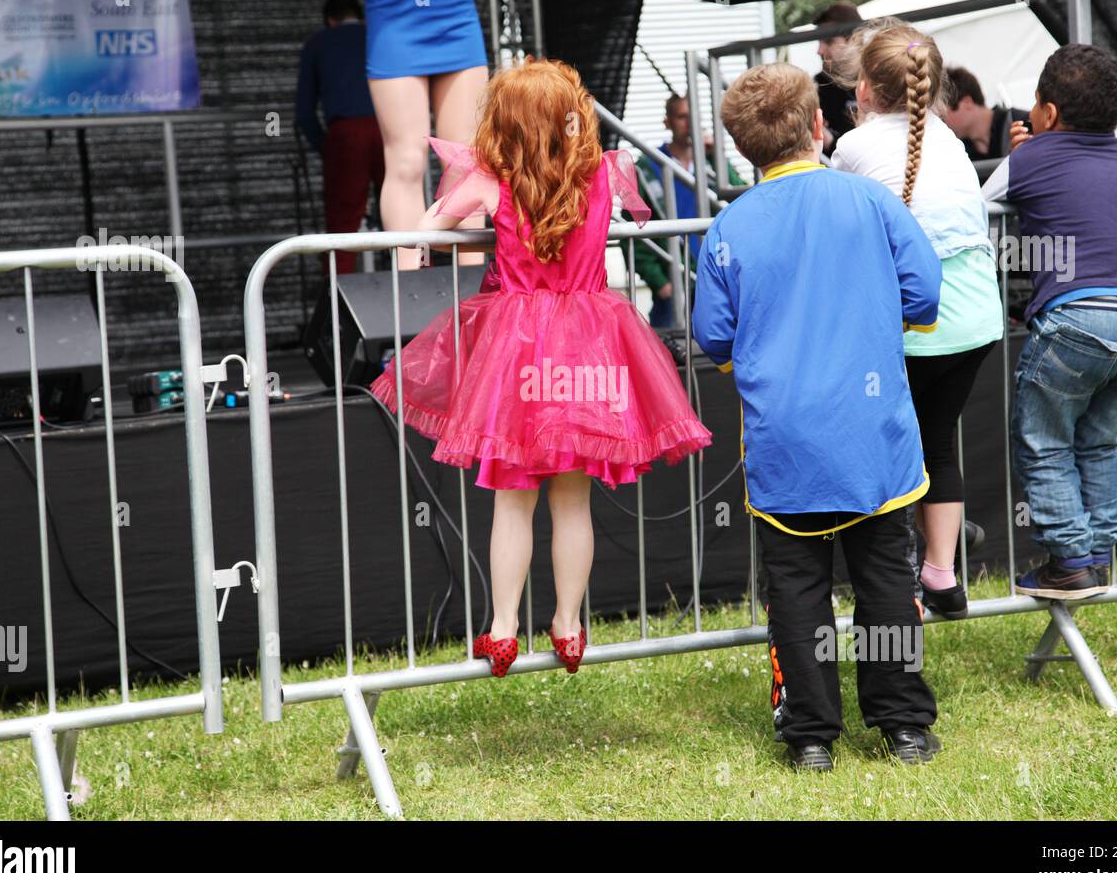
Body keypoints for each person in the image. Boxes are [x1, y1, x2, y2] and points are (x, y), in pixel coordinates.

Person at [369, 60, 712, 677]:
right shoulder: (606, 175)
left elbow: (424, 233)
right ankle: (569, 625)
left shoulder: (489, 183)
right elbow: (619, 224)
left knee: (512, 500)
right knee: (574, 501)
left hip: (516, 356)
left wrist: (441, 240)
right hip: (589, 350)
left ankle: (503, 629)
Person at [692, 62, 944, 771]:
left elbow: (712, 336)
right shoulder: (871, 202)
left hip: (784, 442)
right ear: (816, 125)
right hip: (873, 438)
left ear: (744, 148)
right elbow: (925, 295)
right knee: (885, 581)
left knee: (797, 591)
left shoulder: (727, 228)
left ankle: (809, 737)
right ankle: (903, 727)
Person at [830, 20, 1003, 621]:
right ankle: (942, 573)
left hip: (912, 322)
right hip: (977, 316)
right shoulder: (951, 140)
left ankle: (897, 583)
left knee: (890, 451)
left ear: (866, 91)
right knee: (938, 442)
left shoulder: (852, 147)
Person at [983, 43, 1117, 597]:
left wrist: (1023, 156)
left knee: (1044, 441)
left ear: (1049, 113)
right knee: (1100, 441)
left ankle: (1068, 558)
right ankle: (1097, 553)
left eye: (1033, 105)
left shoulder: (1028, 159)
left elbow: (981, 208)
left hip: (1080, 317)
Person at [345, 0, 489, 271]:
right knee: (407, 159)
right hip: (395, 16)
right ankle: (412, 279)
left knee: (466, 160)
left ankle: (473, 283)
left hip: (456, 15)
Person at [626, 94, 744, 328]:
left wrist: (716, 155)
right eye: (682, 117)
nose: (689, 124)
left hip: (716, 278)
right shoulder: (647, 169)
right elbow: (635, 231)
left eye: (694, 117)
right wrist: (660, 283)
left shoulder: (710, 163)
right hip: (674, 284)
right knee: (672, 356)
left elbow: (739, 197)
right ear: (667, 122)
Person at [295, 0, 385, 275]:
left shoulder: (317, 44)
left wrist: (326, 147)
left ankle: (336, 307)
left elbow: (304, 112)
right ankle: (416, 289)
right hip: (389, 129)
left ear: (330, 21)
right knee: (402, 215)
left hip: (345, 136)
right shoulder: (378, 34)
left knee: (342, 226)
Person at [943, 66, 1031, 162]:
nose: (941, 123)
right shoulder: (956, 152)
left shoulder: (1025, 123)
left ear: (966, 103)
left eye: (942, 115)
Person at [813, 1, 863, 157]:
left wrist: (831, 141)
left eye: (828, 41)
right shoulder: (817, 87)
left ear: (854, 39)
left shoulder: (881, 81)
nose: (819, 50)